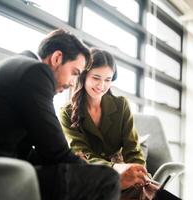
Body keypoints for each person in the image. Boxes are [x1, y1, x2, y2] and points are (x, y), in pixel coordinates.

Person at [0, 29, 120, 200]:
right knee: (107, 179)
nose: (73, 82)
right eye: (75, 72)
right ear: (57, 58)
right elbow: (56, 151)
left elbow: (33, 147)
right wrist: (85, 167)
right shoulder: (36, 72)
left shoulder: (13, 66)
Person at [59, 48, 158, 199]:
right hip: (91, 176)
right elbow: (80, 154)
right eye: (96, 78)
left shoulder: (121, 105)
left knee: (151, 193)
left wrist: (141, 175)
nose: (101, 85)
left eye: (108, 80)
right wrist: (116, 168)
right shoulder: (66, 112)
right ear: (84, 76)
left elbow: (133, 148)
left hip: (124, 175)